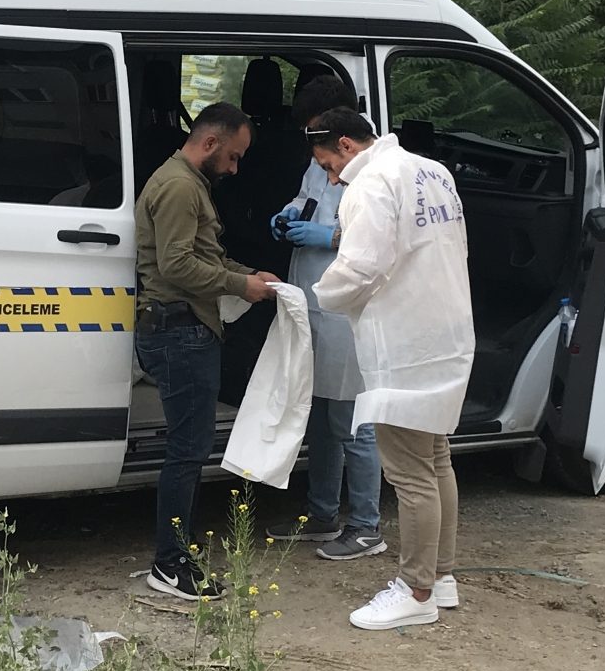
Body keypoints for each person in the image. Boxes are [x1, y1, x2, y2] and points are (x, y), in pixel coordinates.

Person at [310, 108, 475, 631]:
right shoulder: (434, 171)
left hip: (405, 344)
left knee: (409, 473)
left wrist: (315, 296)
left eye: (329, 166)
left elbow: (363, 265)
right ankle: (442, 578)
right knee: (436, 459)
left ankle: (416, 589)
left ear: (346, 145)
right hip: (446, 336)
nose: (333, 179)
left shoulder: (371, 183)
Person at [135, 101, 281, 600]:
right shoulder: (179, 187)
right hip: (179, 330)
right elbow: (177, 267)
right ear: (211, 142)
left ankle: (176, 554)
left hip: (183, 328)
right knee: (187, 454)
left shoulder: (188, 183)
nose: (236, 168)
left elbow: (206, 255)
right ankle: (170, 565)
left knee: (188, 451)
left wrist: (248, 274)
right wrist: (241, 286)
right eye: (235, 157)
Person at [264, 76, 385, 561]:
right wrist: (289, 215)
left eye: (318, 130)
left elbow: (375, 240)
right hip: (313, 298)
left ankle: (365, 523)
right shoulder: (323, 160)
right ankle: (321, 513)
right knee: (320, 411)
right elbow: (309, 196)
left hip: (349, 306)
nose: (313, 140)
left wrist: (328, 237)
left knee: (353, 419)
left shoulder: (374, 171)